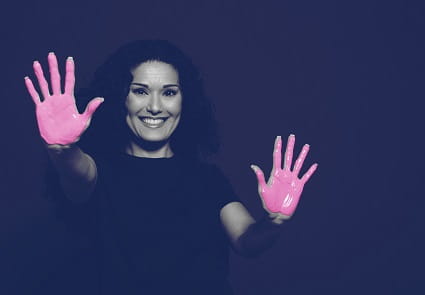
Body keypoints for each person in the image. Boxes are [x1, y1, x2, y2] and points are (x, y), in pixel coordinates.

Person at [24, 40, 318, 295]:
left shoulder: (207, 178)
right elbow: (76, 173)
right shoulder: (100, 171)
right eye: (140, 91)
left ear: (184, 100)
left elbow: (247, 241)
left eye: (168, 92)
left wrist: (275, 221)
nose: (155, 106)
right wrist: (63, 149)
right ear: (121, 98)